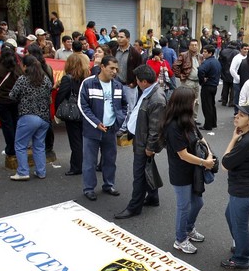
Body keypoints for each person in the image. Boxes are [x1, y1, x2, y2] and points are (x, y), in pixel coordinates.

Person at [163, 88, 215, 254]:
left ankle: (188, 229)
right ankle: (180, 239)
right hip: (181, 173)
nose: (196, 103)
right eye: (193, 100)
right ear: (185, 103)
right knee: (183, 206)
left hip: (194, 170)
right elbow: (183, 155)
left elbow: (201, 138)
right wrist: (204, 163)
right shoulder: (172, 126)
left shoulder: (188, 120)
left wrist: (210, 153)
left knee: (198, 202)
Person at [115, 65, 166, 218]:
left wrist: (150, 147)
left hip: (144, 142)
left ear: (144, 81)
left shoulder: (156, 99)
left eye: (137, 80)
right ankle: (152, 196)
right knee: (146, 168)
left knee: (139, 174)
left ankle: (134, 206)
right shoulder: (148, 92)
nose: (135, 82)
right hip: (140, 137)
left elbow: (155, 128)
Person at [221, 102, 249, 270]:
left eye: (241, 115)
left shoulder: (247, 141)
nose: (236, 116)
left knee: (239, 224)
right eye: (237, 113)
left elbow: (225, 164)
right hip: (248, 188)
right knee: (230, 215)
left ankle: (241, 257)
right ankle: (242, 247)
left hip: (244, 191)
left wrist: (233, 139)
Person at [78, 55, 127, 200]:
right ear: (102, 67)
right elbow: (83, 106)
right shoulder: (88, 83)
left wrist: (119, 120)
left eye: (116, 69)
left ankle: (108, 184)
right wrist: (96, 122)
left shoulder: (117, 85)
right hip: (92, 130)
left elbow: (124, 105)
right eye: (111, 68)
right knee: (90, 161)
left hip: (111, 129)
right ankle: (89, 188)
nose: (114, 72)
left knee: (110, 159)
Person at [8, 55, 52, 181]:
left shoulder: (23, 79)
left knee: (20, 145)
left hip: (28, 116)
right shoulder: (45, 80)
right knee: (39, 145)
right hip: (44, 117)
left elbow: (12, 95)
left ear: (25, 66)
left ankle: (23, 172)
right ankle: (41, 171)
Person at [56, 53, 90, 176]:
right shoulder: (87, 77)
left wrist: (57, 110)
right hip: (85, 110)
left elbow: (61, 95)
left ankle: (76, 166)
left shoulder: (68, 78)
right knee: (84, 139)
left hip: (72, 111)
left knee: (75, 141)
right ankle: (86, 163)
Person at [0, 45, 22, 161]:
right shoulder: (17, 67)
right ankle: (19, 146)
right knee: (16, 123)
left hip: (1, 100)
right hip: (15, 99)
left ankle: (10, 148)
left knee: (7, 126)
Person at [172, 38, 203, 121]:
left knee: (196, 101)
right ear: (189, 46)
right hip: (188, 81)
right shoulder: (184, 55)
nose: (194, 47)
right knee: (186, 101)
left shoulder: (200, 56)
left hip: (197, 82)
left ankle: (194, 119)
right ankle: (185, 119)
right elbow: (175, 66)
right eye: (192, 45)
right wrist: (180, 75)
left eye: (196, 45)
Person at [197, 45, 222, 130]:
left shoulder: (207, 62)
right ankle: (213, 122)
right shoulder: (216, 61)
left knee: (207, 106)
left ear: (210, 53)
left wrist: (202, 81)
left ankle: (208, 125)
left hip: (207, 86)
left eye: (205, 52)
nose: (203, 53)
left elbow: (200, 70)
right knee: (211, 105)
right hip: (214, 85)